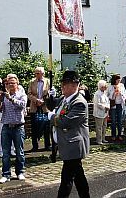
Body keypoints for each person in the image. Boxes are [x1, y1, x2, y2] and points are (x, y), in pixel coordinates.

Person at [48, 70, 90, 198]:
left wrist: (51, 117)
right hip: (66, 144)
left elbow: (66, 122)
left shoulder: (79, 103)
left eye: (65, 84)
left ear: (74, 86)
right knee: (78, 176)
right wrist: (49, 97)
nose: (62, 87)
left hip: (73, 145)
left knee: (66, 179)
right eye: (62, 84)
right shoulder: (64, 99)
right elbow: (51, 105)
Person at [0, 74, 28, 184]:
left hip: (18, 127)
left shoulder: (21, 94)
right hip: (6, 127)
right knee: (5, 153)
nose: (11, 85)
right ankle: (6, 174)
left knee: (19, 152)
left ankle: (20, 172)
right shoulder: (4, 95)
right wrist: (0, 99)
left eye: (13, 83)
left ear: (17, 84)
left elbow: (22, 105)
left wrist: (11, 99)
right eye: (9, 83)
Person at [28, 67, 53, 152]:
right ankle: (35, 146)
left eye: (38, 73)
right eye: (35, 73)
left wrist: (44, 101)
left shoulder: (48, 81)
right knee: (34, 127)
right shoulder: (32, 82)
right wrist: (36, 100)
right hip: (35, 107)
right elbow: (29, 94)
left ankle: (47, 145)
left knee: (46, 126)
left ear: (43, 73)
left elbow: (51, 93)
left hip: (45, 107)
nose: (36, 75)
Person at [107, 74, 126, 142]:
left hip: (120, 104)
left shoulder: (121, 85)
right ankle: (113, 135)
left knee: (120, 120)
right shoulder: (110, 86)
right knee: (113, 121)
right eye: (117, 80)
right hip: (113, 105)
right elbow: (108, 96)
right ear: (114, 80)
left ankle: (120, 135)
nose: (119, 81)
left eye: (119, 80)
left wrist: (120, 93)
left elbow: (125, 94)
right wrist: (113, 93)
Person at [92, 80, 109, 145]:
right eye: (105, 86)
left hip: (105, 112)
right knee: (99, 127)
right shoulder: (97, 94)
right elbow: (97, 103)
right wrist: (105, 107)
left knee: (104, 126)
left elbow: (107, 101)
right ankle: (99, 140)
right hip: (99, 112)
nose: (106, 87)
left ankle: (103, 138)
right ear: (101, 86)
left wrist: (107, 108)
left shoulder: (105, 93)